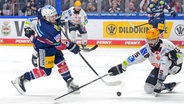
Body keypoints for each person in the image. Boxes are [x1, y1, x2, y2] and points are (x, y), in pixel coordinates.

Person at [11, 5, 80, 94]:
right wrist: (72, 46)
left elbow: (30, 20)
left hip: (50, 45)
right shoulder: (49, 30)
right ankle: (21, 79)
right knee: (45, 71)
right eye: (52, 17)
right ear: (46, 17)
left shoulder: (41, 14)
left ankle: (69, 82)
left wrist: (27, 28)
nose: (55, 18)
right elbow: (59, 45)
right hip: (44, 49)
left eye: (55, 15)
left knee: (61, 61)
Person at [108, 28, 183, 95]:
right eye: (148, 39)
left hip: (174, 66)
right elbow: (133, 58)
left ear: (157, 38)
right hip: (160, 69)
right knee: (148, 88)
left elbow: (181, 56)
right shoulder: (145, 49)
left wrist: (175, 57)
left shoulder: (167, 44)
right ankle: (167, 86)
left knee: (164, 59)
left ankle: (159, 83)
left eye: (152, 40)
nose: (149, 42)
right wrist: (120, 66)